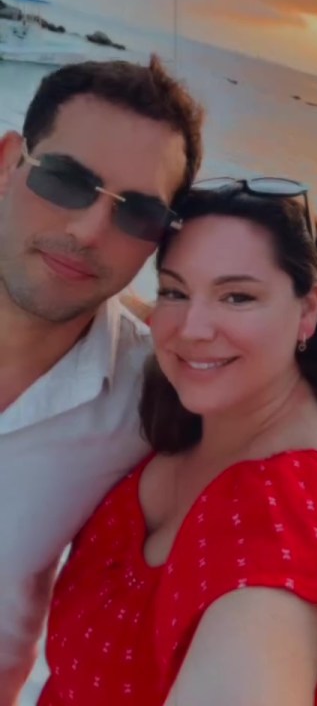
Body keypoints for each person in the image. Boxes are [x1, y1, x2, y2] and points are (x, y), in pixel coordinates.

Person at [39, 178, 317, 706]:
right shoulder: (197, 408)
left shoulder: (299, 512)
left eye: (238, 296)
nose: (193, 329)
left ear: (307, 310)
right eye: (174, 290)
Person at [0, 55, 203, 705]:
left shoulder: (151, 397)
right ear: (7, 163)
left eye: (138, 214)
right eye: (64, 179)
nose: (88, 231)